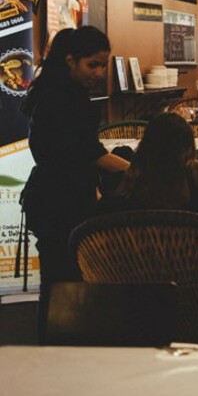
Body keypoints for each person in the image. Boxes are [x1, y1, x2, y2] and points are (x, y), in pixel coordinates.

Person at [20, 26, 130, 339]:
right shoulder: (65, 97)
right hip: (59, 201)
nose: (98, 72)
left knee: (57, 282)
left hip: (48, 197)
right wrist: (134, 171)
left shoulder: (53, 91)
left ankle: (54, 346)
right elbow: (87, 153)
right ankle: (59, 348)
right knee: (64, 280)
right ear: (71, 60)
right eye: (92, 64)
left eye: (103, 65)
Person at [99, 113, 198, 237]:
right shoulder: (197, 178)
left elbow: (97, 228)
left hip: (131, 268)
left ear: (144, 145)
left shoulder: (125, 182)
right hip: (194, 265)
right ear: (188, 146)